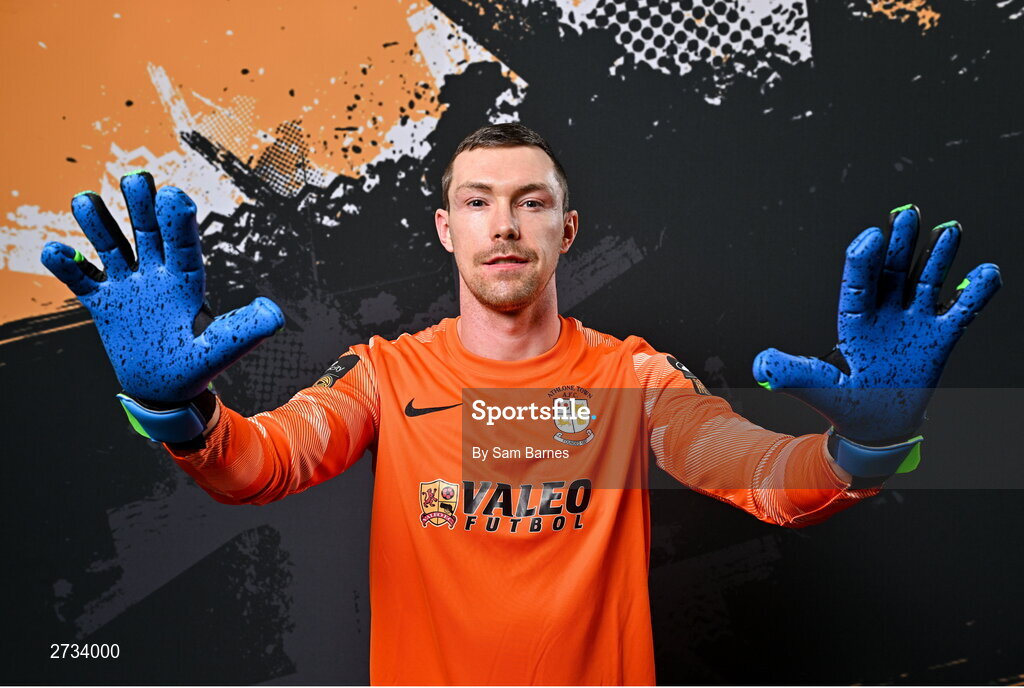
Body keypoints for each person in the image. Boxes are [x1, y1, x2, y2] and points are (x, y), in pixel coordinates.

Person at [40, 123, 1001, 685]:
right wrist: (178, 413)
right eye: (478, 201)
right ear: (445, 228)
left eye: (531, 201)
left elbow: (754, 469)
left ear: (568, 228)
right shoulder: (383, 375)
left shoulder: (632, 381)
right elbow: (265, 461)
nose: (504, 223)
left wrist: (867, 447)